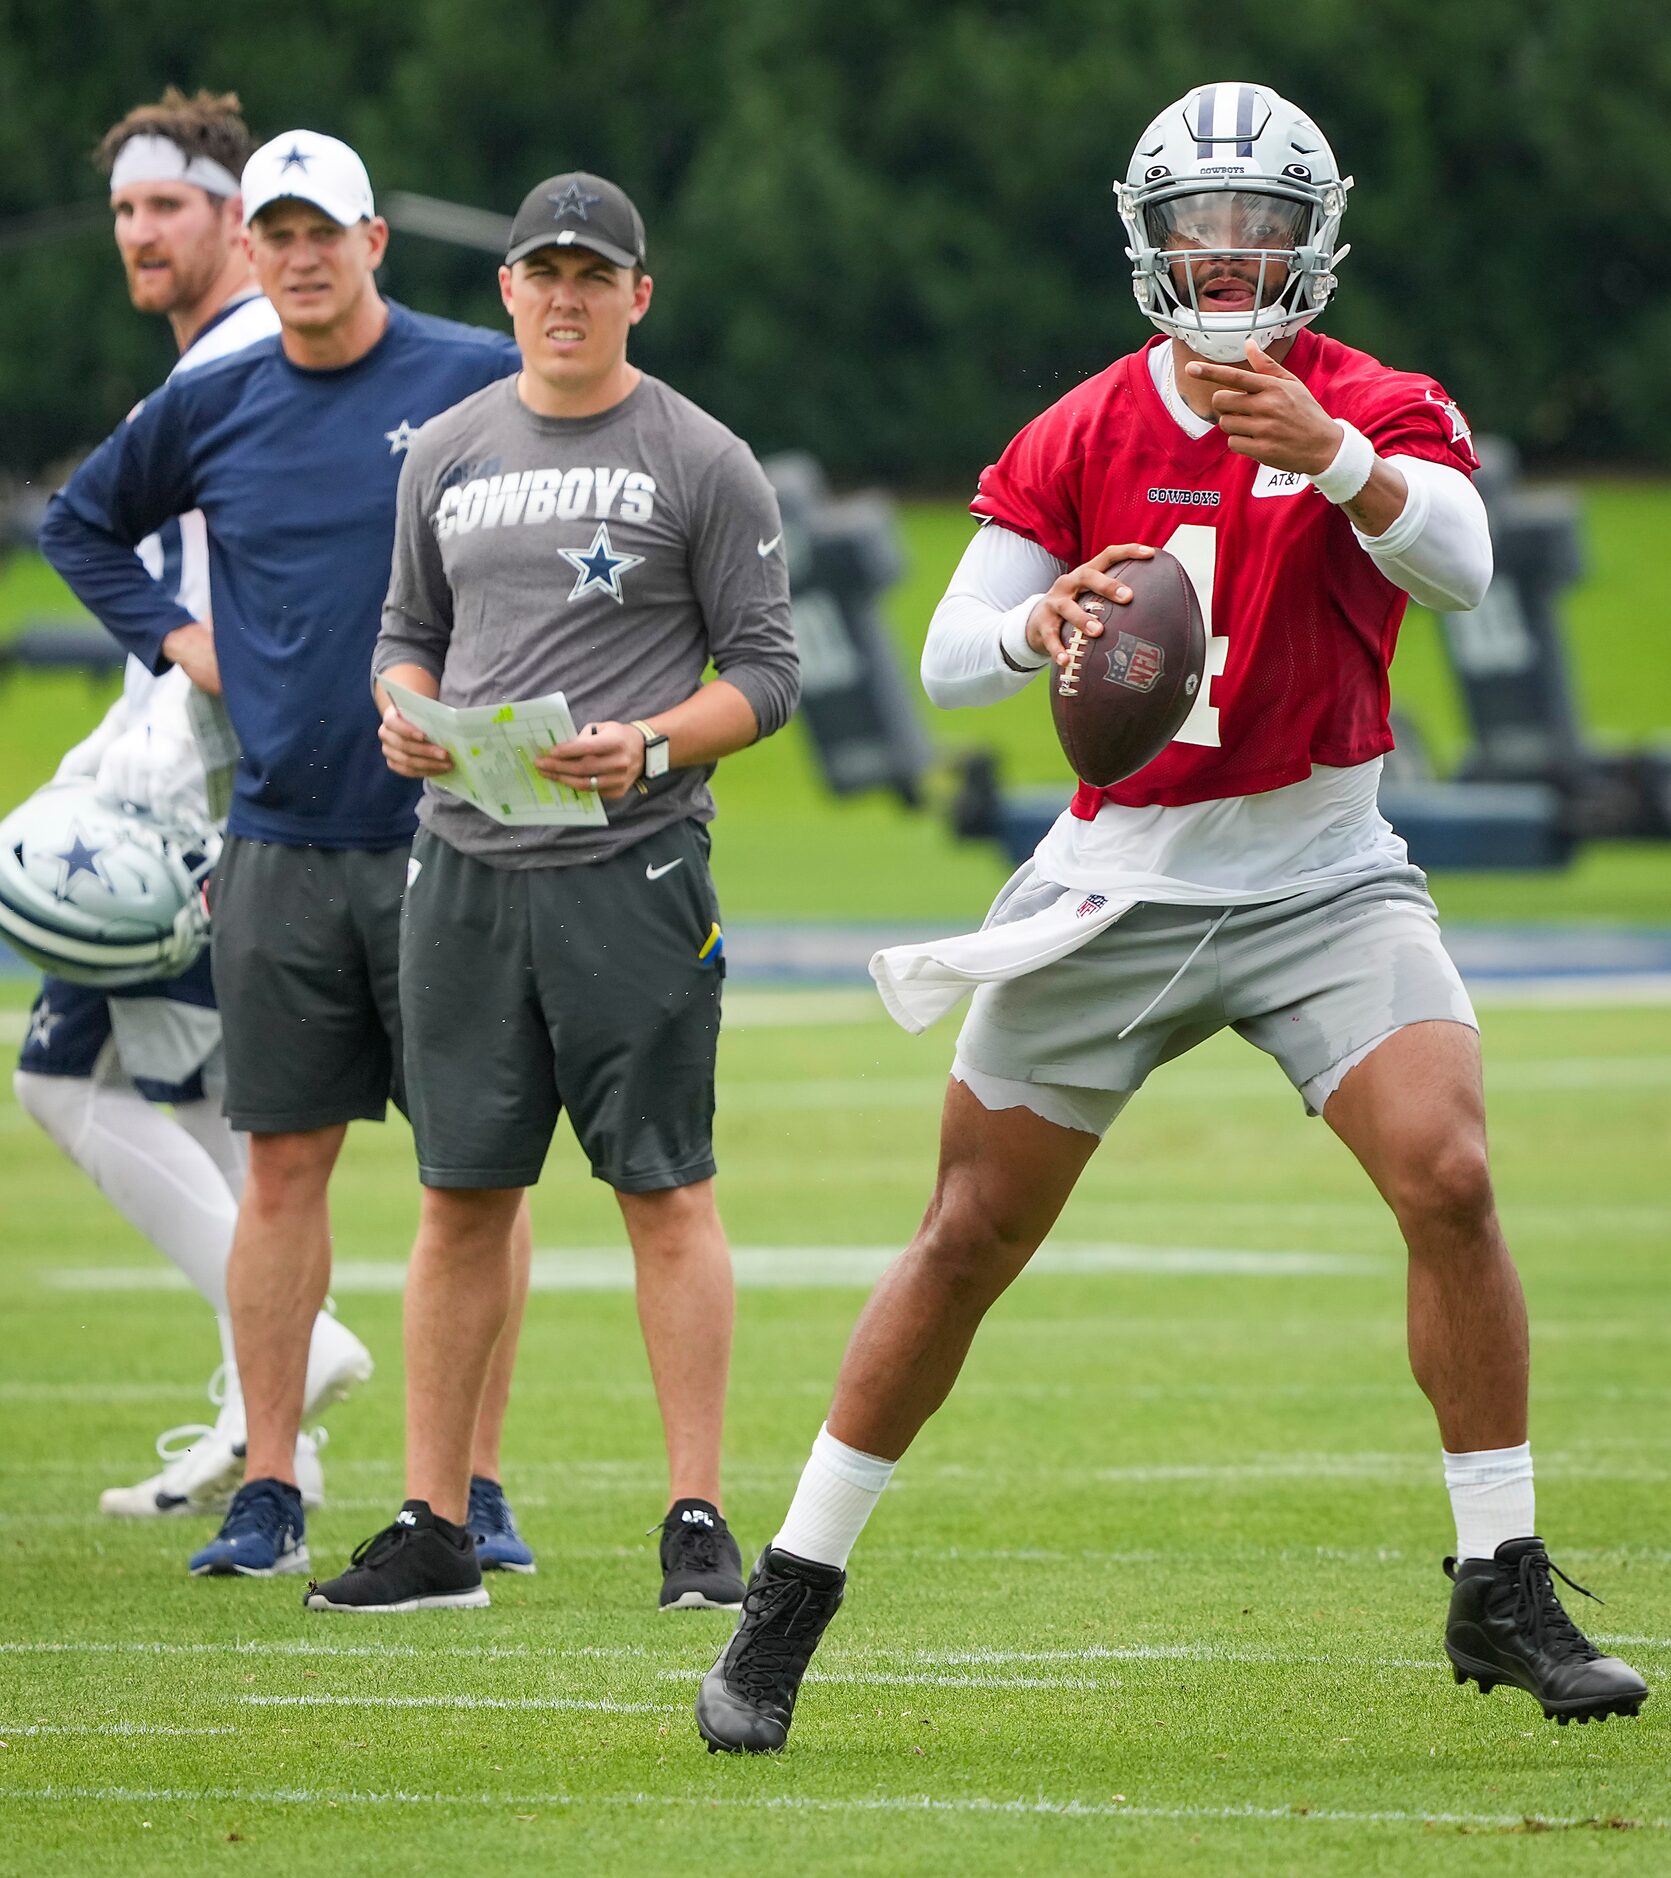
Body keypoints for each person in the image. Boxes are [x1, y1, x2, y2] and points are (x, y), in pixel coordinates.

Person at [695, 81, 1649, 1750]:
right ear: (1150, 244)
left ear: (1311, 243)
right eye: (1197, 226)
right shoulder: (1084, 428)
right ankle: (786, 1602)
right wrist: (1030, 627)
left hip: (1324, 868)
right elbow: (943, 649)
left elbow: (1467, 566)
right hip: (1117, 882)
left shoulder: (1379, 403)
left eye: (1257, 225)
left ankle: (1500, 1576)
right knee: (968, 1234)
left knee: (1454, 1170)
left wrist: (1337, 459)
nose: (1226, 255)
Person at [39, 128, 539, 1582]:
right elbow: (82, 525)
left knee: (478, 1173)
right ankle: (272, 1485)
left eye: (328, 230)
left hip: (452, 836)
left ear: (374, 242)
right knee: (281, 1170)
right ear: (250, 255)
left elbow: (586, 473)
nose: (304, 253)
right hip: (277, 840)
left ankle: (476, 1483)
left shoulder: (466, 373)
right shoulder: (216, 397)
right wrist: (173, 640)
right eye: (279, 233)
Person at [302, 171, 799, 1614]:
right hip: (460, 865)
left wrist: (647, 742)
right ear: (508, 290)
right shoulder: (445, 449)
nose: (567, 296)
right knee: (458, 1196)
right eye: (543, 273)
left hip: (628, 869)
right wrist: (404, 706)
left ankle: (698, 1514)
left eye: (596, 275)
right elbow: (407, 631)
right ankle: (435, 1520)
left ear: (638, 295)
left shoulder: (703, 457)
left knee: (666, 1190)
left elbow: (767, 671)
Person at [13, 88, 371, 1519]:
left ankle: (289, 1355)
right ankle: (267, 1406)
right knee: (221, 1099)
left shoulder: (246, 367)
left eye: (167, 206)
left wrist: (188, 693)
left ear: (234, 217)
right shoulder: (220, 368)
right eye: (123, 211)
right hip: (200, 764)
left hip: (210, 787)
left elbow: (240, 597)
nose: (141, 234)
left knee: (63, 1075)